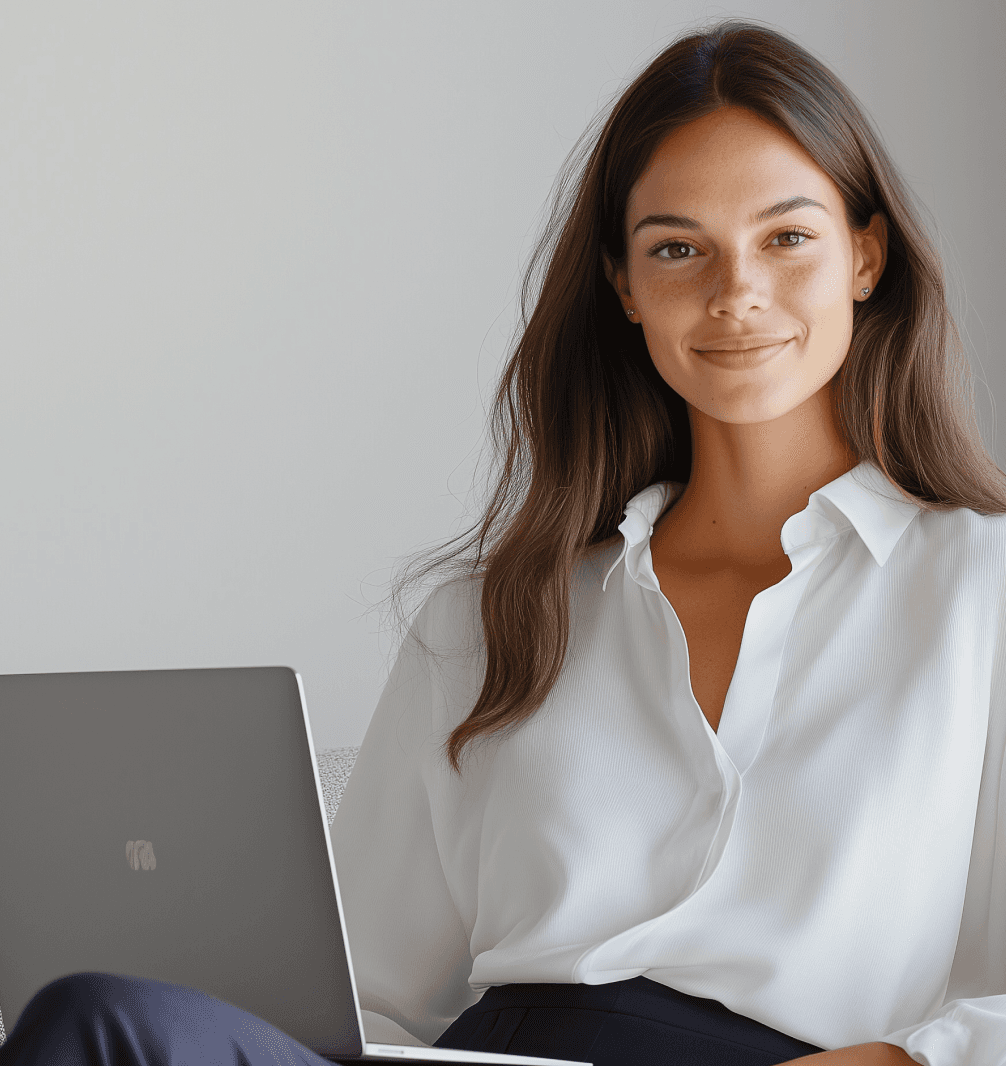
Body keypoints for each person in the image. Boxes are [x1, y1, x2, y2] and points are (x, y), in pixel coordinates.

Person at [2, 17, 1003, 1066]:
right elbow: (368, 999)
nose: (734, 291)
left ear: (866, 255)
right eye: (676, 248)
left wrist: (900, 1061)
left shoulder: (979, 588)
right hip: (496, 1053)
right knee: (97, 1016)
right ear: (624, 284)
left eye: (786, 237)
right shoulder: (493, 615)